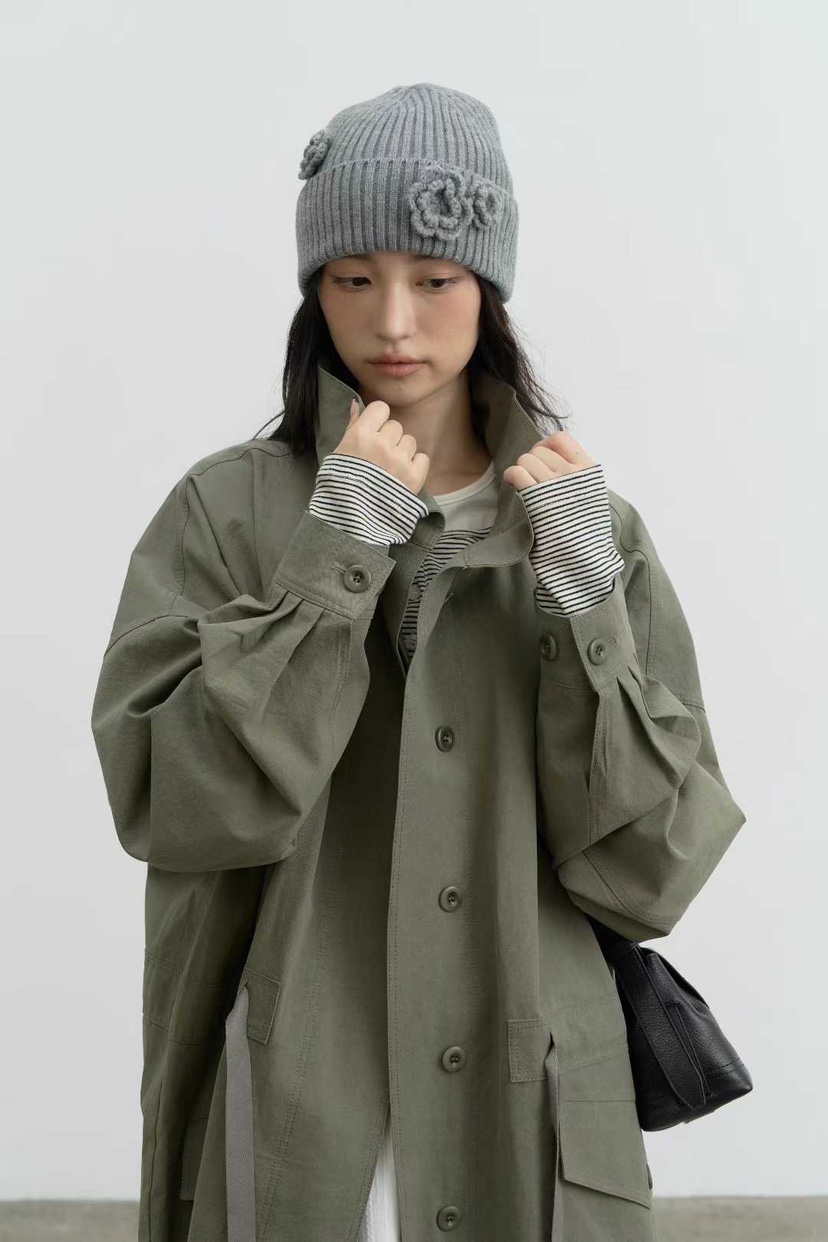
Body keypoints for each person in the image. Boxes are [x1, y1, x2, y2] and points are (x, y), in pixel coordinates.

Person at [90, 83, 746, 1242]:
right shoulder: (226, 513)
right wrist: (335, 558)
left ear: (488, 289)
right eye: (353, 279)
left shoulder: (590, 530)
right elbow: (173, 802)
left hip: (528, 1108)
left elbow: (650, 872)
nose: (392, 320)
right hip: (299, 1108)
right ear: (315, 291)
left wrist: (586, 603)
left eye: (434, 280)